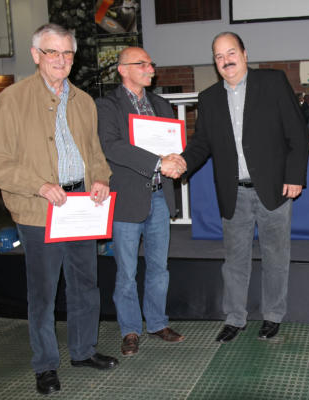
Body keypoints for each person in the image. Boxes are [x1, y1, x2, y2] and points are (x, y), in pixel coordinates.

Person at [0, 23, 118, 395]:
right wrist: (39, 185)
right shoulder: (12, 100)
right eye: (52, 52)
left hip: (81, 207)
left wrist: (101, 179)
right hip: (38, 210)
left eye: (67, 52)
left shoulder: (84, 102)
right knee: (43, 292)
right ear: (35, 55)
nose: (61, 59)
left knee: (85, 285)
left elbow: (95, 155)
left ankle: (83, 351)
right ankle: (44, 365)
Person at [174, 32, 308, 343]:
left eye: (231, 53)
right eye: (219, 56)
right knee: (234, 261)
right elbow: (201, 143)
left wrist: (295, 176)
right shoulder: (209, 98)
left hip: (275, 189)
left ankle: (273, 315)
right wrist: (182, 162)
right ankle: (235, 317)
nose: (226, 60)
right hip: (233, 192)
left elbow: (297, 132)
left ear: (245, 54)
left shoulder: (273, 82)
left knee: (276, 257)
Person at [96, 47, 186, 356]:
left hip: (159, 196)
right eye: (142, 64)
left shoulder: (161, 105)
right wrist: (160, 162)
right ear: (122, 69)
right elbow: (112, 146)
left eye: (151, 63)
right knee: (126, 272)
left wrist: (178, 160)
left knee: (159, 268)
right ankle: (130, 330)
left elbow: (174, 146)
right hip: (127, 199)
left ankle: (158, 323)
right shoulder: (107, 106)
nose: (150, 68)